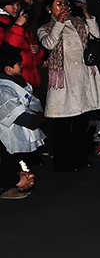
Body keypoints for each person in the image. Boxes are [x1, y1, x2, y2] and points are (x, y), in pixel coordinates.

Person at [37, 0, 100, 171]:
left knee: (82, 120)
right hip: (64, 79)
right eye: (59, 4)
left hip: (83, 76)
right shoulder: (45, 28)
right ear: (49, 8)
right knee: (63, 122)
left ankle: (79, 158)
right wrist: (59, 23)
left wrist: (87, 15)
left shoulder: (78, 22)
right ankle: (62, 163)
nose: (63, 7)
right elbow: (49, 43)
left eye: (65, 3)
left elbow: (96, 35)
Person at [0, 44, 44, 199]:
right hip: (8, 137)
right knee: (12, 164)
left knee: (19, 165)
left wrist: (37, 114)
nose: (22, 66)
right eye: (18, 64)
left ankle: (17, 182)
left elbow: (33, 101)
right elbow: (21, 117)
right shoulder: (3, 90)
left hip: (17, 135)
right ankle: (12, 186)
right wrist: (37, 118)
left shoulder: (17, 83)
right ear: (8, 68)